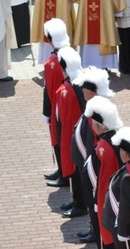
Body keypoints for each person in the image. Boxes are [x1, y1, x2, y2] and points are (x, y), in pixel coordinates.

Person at [71, 68, 115, 245]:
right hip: (90, 165)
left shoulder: (97, 112)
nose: (82, 94)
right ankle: (93, 228)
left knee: (95, 204)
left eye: (84, 91)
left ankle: (96, 232)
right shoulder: (94, 107)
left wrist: (88, 165)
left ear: (91, 92)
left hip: (94, 167)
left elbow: (92, 142)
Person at [83, 96, 124, 248]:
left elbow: (101, 182)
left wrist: (97, 204)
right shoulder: (117, 139)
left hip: (107, 203)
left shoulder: (102, 148)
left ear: (99, 127)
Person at [54, 46, 87, 217]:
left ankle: (80, 204)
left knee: (76, 171)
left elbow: (60, 118)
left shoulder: (65, 90)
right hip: (83, 134)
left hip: (72, 135)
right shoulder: (82, 84)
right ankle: (77, 200)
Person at [41, 18, 70, 184]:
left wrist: (47, 112)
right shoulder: (70, 53)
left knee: (59, 140)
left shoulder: (52, 63)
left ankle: (65, 175)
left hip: (57, 107)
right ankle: (62, 170)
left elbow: (49, 91)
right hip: (68, 103)